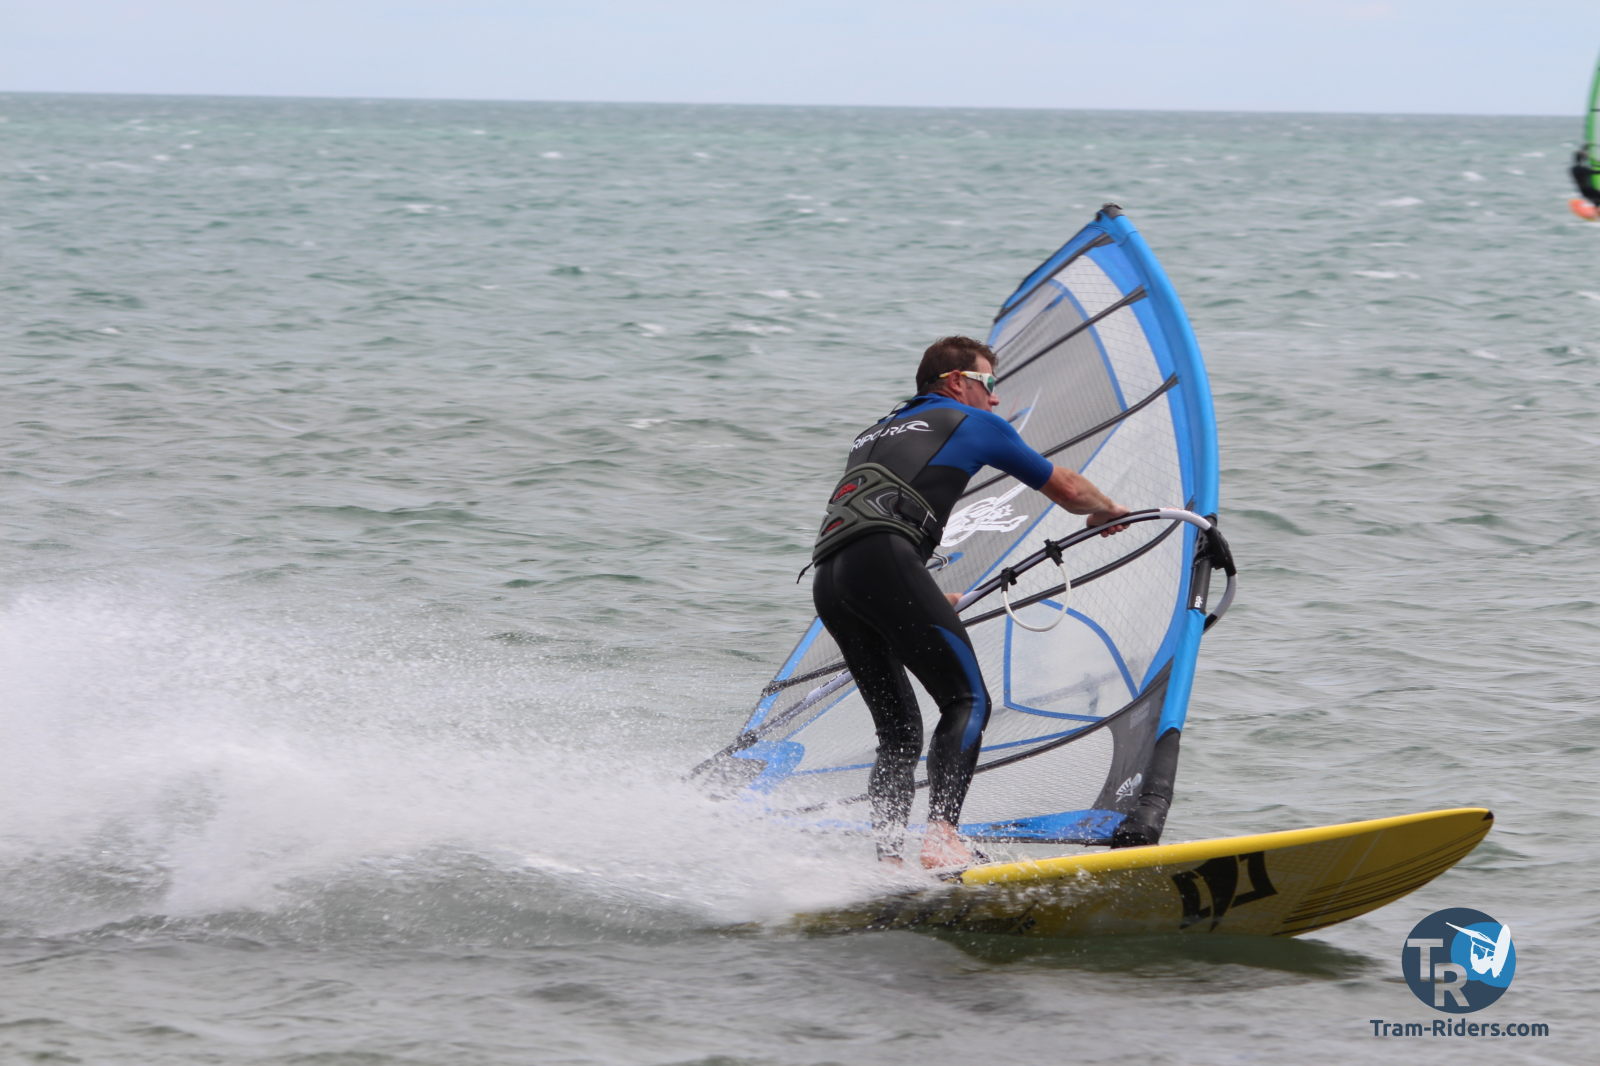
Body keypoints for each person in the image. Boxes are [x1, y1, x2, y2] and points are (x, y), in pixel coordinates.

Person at [809, 336, 1130, 869]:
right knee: (966, 700)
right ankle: (941, 837)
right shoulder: (969, 420)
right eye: (989, 383)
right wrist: (1107, 509)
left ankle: (887, 861)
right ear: (957, 382)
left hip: (832, 579)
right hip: (886, 564)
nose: (996, 398)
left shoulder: (873, 432)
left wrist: (923, 595)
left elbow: (872, 521)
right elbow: (1069, 490)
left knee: (897, 732)